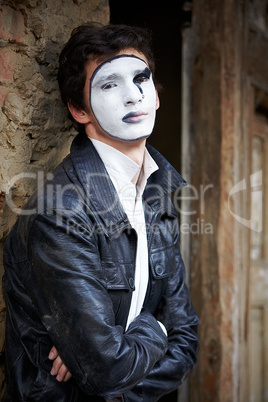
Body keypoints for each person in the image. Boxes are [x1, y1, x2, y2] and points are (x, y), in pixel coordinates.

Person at [2, 23, 199, 401]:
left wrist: (123, 346)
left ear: (156, 96)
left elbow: (187, 342)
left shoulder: (158, 197)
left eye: (141, 78)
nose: (132, 96)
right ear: (79, 109)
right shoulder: (58, 211)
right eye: (109, 85)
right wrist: (157, 328)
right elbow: (108, 370)